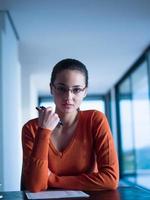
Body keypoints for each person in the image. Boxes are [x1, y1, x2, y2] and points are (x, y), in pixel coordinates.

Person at [21, 58, 119, 192]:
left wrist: (52, 179)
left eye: (77, 90)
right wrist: (43, 131)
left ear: (85, 91)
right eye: (62, 88)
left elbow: (110, 179)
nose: (68, 97)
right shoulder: (31, 128)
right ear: (51, 88)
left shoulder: (95, 120)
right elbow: (36, 186)